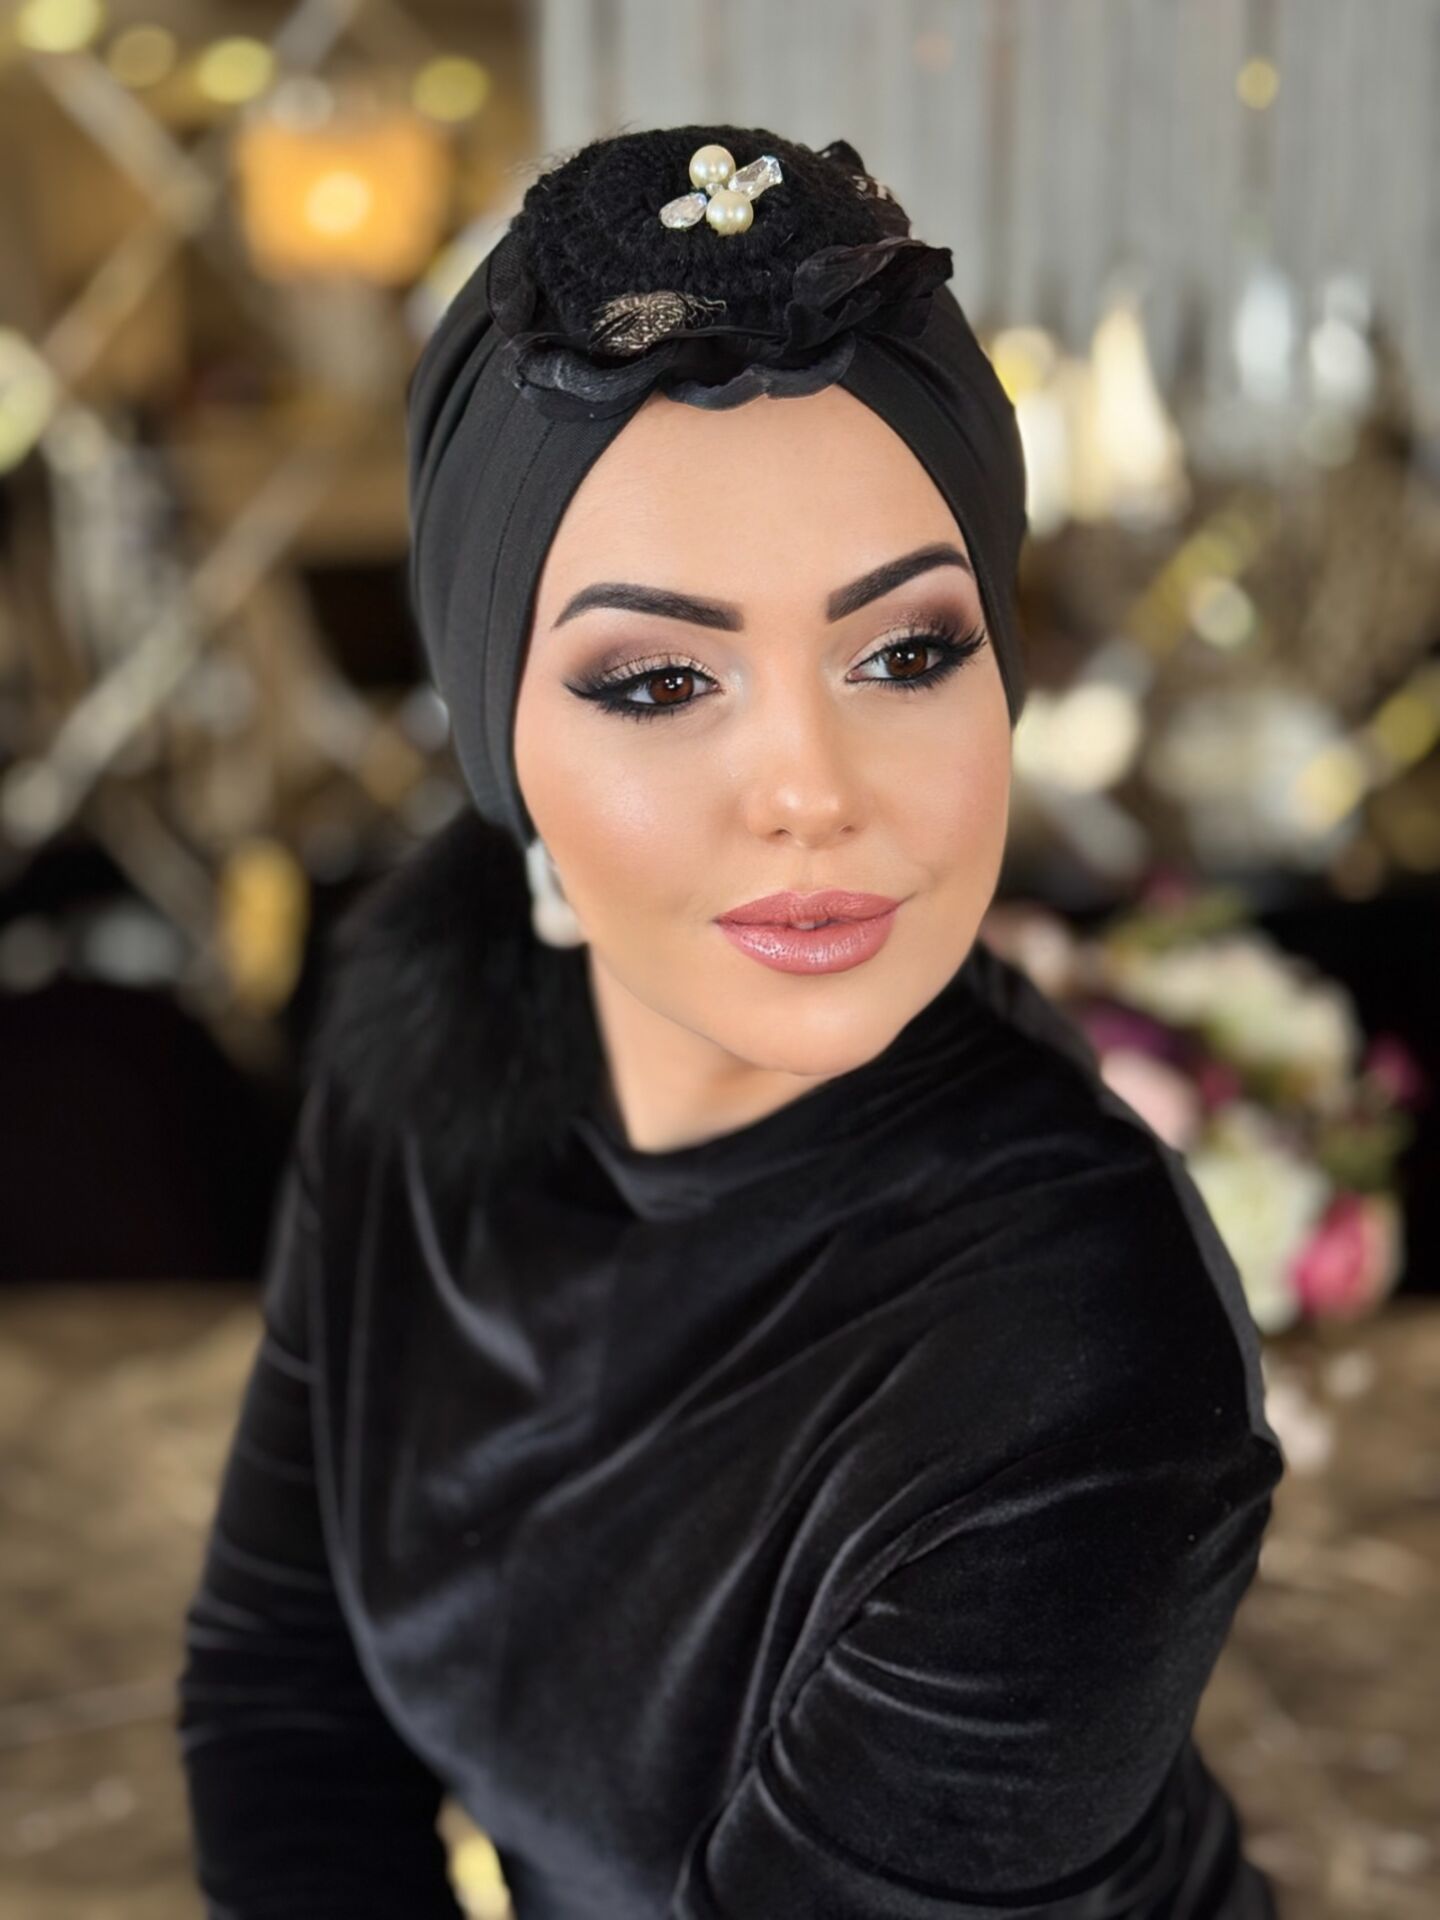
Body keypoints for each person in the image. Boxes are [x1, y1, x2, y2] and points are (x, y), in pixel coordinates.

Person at [176, 124, 1286, 1919]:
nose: (809, 791)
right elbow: (281, 1700)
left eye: (906, 652)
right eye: (660, 679)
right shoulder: (423, 1036)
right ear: (500, 744)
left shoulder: (1088, 1360)